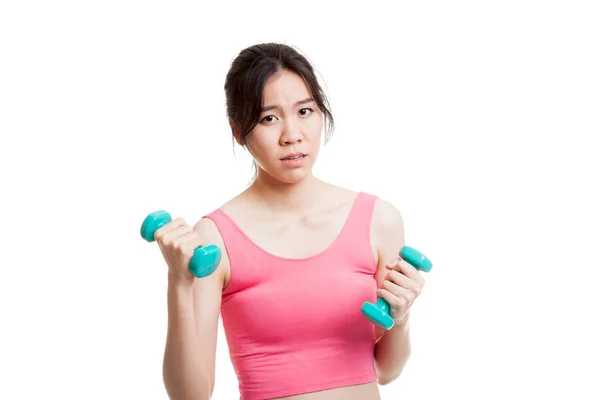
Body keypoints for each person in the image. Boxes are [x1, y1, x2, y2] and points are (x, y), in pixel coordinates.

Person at [154, 42, 427, 400]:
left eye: (304, 111)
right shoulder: (214, 238)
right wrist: (179, 282)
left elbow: (385, 370)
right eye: (269, 118)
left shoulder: (380, 220)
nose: (292, 135)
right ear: (237, 130)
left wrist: (401, 318)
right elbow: (191, 396)